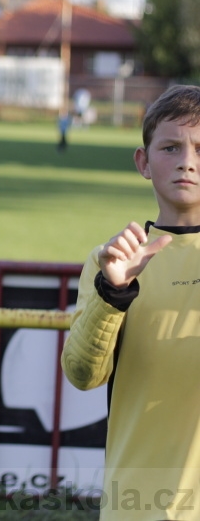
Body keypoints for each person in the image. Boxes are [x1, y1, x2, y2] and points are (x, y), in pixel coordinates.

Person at [61, 84, 200, 521]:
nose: (188, 161)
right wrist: (113, 293)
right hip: (139, 508)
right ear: (144, 162)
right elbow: (83, 375)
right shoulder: (112, 262)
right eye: (171, 147)